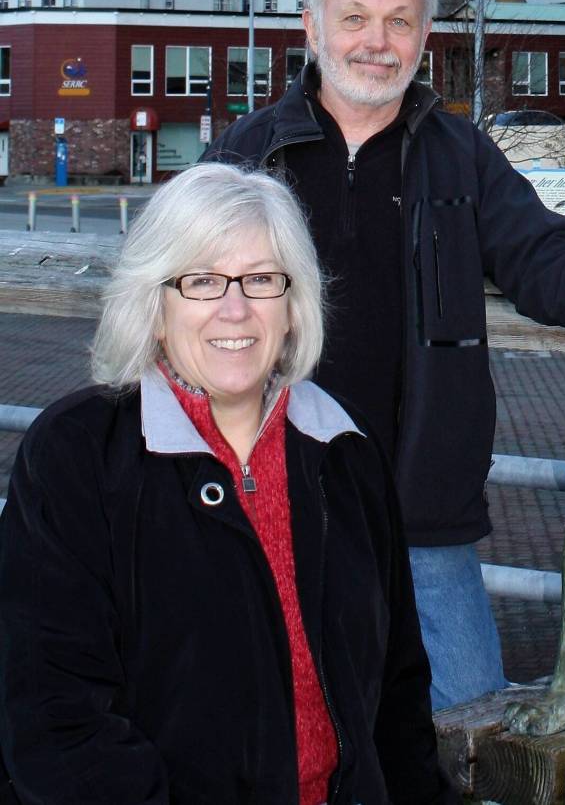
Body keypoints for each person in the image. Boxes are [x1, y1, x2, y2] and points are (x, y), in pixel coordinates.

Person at [204, 0, 565, 710]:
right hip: (272, 503)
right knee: (272, 729)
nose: (377, 41)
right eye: (356, 18)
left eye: (399, 21)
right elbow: (173, 291)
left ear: (425, 37)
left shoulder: (461, 154)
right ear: (312, 26)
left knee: (464, 734)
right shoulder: (246, 157)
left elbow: (550, 268)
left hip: (422, 516)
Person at [0, 164, 455, 805]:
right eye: (202, 281)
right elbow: (54, 719)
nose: (234, 308)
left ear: (293, 308)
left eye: (261, 280)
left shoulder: (344, 450)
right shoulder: (79, 455)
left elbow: (397, 698)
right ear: (154, 308)